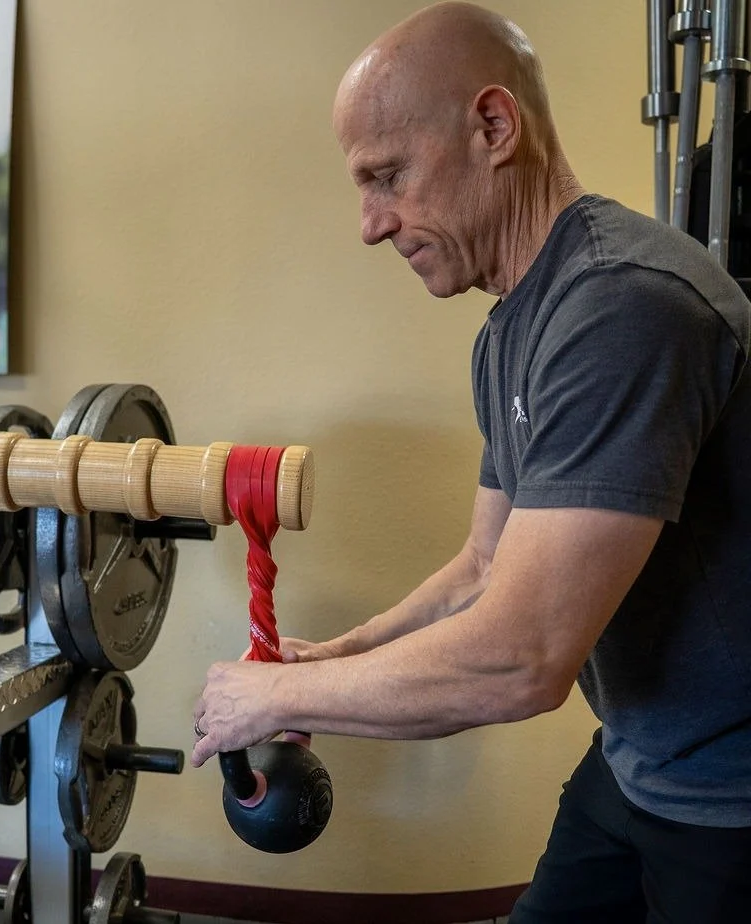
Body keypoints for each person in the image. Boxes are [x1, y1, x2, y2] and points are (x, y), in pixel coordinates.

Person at [192, 3, 751, 920]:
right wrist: (335, 654)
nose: (372, 225)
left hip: (729, 798)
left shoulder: (623, 308)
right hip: (639, 759)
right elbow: (485, 570)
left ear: (494, 126)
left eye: (386, 176)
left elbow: (521, 657)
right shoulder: (512, 331)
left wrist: (283, 697)